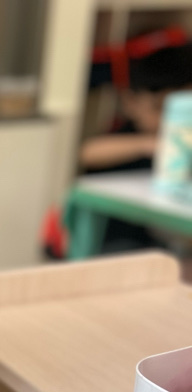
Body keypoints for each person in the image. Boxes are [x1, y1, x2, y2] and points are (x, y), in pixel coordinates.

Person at [79, 43, 192, 251]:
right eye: (161, 108)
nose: (173, 120)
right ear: (130, 102)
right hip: (117, 236)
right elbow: (86, 153)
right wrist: (148, 145)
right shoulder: (130, 134)